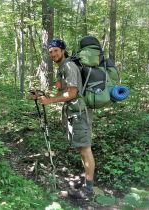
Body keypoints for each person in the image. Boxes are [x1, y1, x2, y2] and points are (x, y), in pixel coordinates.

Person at [37, 39, 95, 200]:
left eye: (56, 50)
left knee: (85, 148)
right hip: (73, 113)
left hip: (80, 113)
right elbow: (63, 92)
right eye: (50, 52)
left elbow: (72, 93)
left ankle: (89, 189)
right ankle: (86, 182)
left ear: (63, 51)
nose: (53, 54)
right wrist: (45, 98)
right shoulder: (62, 68)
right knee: (82, 148)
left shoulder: (69, 66)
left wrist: (49, 101)